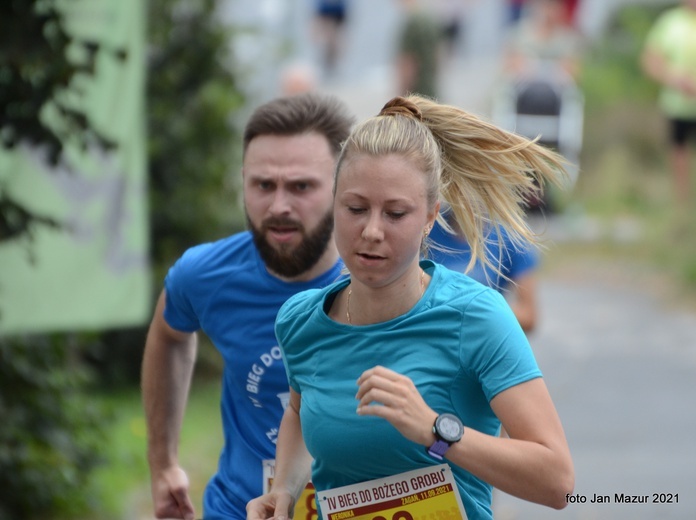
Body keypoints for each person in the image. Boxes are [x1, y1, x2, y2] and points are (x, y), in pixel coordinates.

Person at [247, 95, 574, 520]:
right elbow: (297, 411)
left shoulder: (477, 317)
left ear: (430, 216)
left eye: (396, 213)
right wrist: (284, 491)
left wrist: (435, 430)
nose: (372, 231)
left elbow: (557, 481)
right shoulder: (300, 320)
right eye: (356, 208)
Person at [141, 93, 355, 520]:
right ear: (243, 181)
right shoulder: (205, 276)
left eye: (300, 186)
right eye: (263, 185)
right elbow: (169, 334)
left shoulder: (389, 280)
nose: (278, 206)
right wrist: (163, 463)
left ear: (342, 186)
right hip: (237, 508)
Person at [427, 214, 539, 333]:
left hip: (483, 336)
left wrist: (473, 309)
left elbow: (528, 316)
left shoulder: (508, 235)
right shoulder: (427, 230)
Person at [641, 0, 696, 206]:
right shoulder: (670, 22)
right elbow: (650, 60)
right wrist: (674, 79)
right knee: (679, 155)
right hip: (678, 105)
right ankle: (682, 207)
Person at [396, 0, 443, 99]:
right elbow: (438, 54)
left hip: (416, 94)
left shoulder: (412, 24)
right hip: (431, 89)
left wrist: (402, 97)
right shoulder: (430, 17)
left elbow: (408, 64)